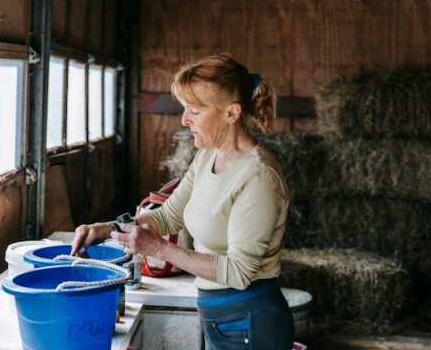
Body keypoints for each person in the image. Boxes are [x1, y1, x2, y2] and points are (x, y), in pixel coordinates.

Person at [71, 53, 293, 349]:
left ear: (232, 113)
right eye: (185, 108)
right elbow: (168, 215)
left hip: (250, 320)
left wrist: (160, 248)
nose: (184, 120)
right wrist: (109, 228)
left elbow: (240, 272)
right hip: (222, 316)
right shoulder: (208, 157)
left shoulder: (258, 177)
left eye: (195, 111)